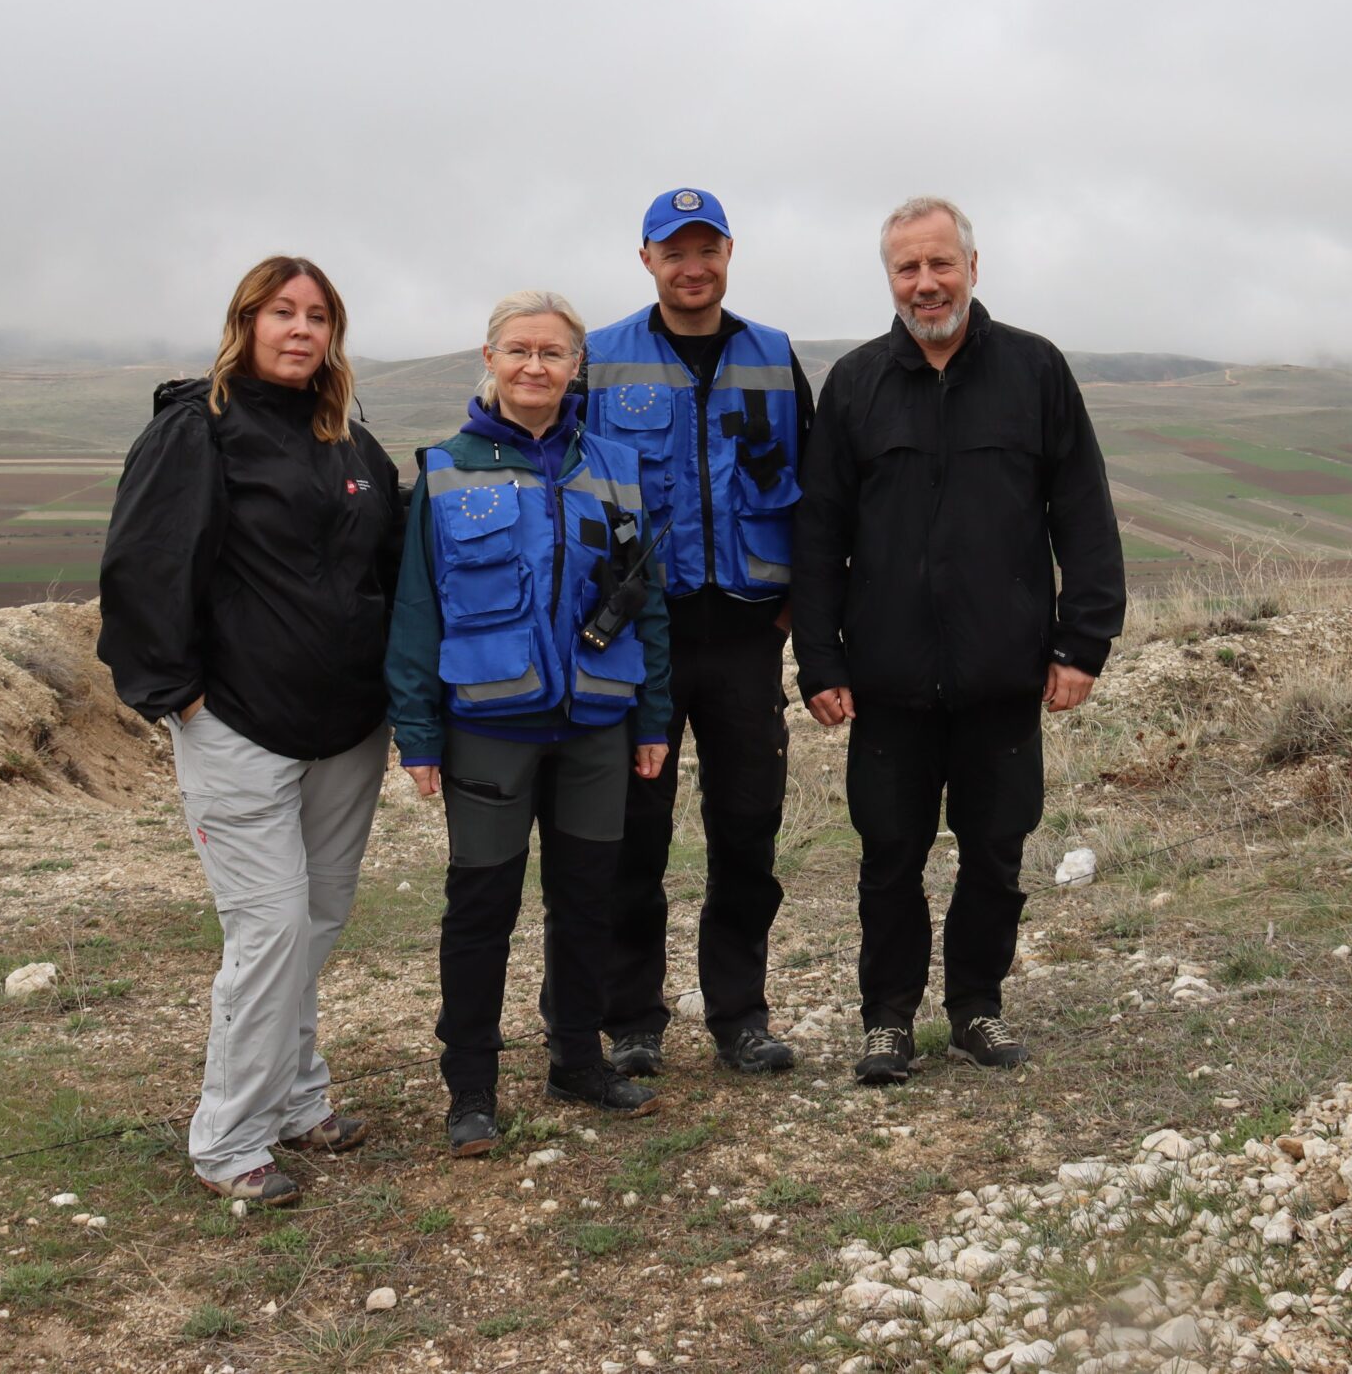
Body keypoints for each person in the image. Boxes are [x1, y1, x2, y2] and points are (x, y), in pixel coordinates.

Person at [791, 197, 1125, 1087]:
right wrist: (818, 659)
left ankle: (977, 1006)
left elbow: (1083, 514)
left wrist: (1082, 642)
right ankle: (887, 1022)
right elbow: (819, 535)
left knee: (997, 852)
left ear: (975, 267)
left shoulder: (1035, 370)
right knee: (889, 858)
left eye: (941, 264)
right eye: (908, 268)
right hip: (888, 682)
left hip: (1001, 677)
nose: (926, 282)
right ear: (890, 278)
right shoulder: (856, 384)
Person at [96, 256, 403, 1205]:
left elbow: (389, 566)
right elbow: (145, 563)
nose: (301, 329)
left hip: (348, 727)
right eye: (283, 312)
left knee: (313, 922)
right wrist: (175, 693)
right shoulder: (199, 429)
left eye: (318, 315)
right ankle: (230, 1139)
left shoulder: (351, 440)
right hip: (238, 726)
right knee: (268, 928)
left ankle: (298, 1097)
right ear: (247, 321)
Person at [387, 289, 674, 1155]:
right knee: (481, 908)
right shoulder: (445, 468)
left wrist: (653, 717)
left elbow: (646, 603)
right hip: (488, 728)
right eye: (519, 351)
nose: (535, 367)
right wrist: (418, 732)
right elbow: (415, 611)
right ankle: (471, 1087)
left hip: (596, 724)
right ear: (490, 358)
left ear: (577, 366)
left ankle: (576, 1060)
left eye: (553, 353)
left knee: (587, 901)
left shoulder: (615, 470)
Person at [581, 187, 814, 1078]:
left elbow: (816, 485)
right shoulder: (600, 359)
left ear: (728, 253)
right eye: (672, 250)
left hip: (748, 629)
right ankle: (632, 1015)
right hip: (640, 633)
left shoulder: (772, 353)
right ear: (645, 258)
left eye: (706, 247)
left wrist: (804, 596)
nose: (692, 265)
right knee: (636, 828)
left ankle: (740, 1014)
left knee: (747, 825)